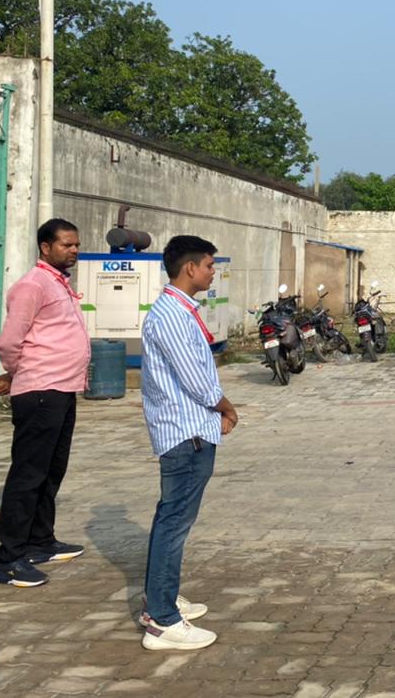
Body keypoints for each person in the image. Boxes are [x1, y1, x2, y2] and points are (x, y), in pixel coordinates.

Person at [140, 235, 239, 651]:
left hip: (190, 429)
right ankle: (162, 622)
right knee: (174, 521)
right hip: (186, 433)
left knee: (173, 518)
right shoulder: (171, 317)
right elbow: (196, 379)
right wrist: (226, 408)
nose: (213, 272)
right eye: (210, 266)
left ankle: (160, 600)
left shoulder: (180, 310)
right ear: (190, 268)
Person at [0, 218, 92, 587]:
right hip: (40, 391)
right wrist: (18, 372)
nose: (74, 250)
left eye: (76, 244)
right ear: (45, 247)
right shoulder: (32, 285)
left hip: (62, 389)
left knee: (51, 470)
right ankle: (9, 560)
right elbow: (9, 342)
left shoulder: (57, 283)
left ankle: (40, 541)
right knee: (28, 475)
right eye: (66, 244)